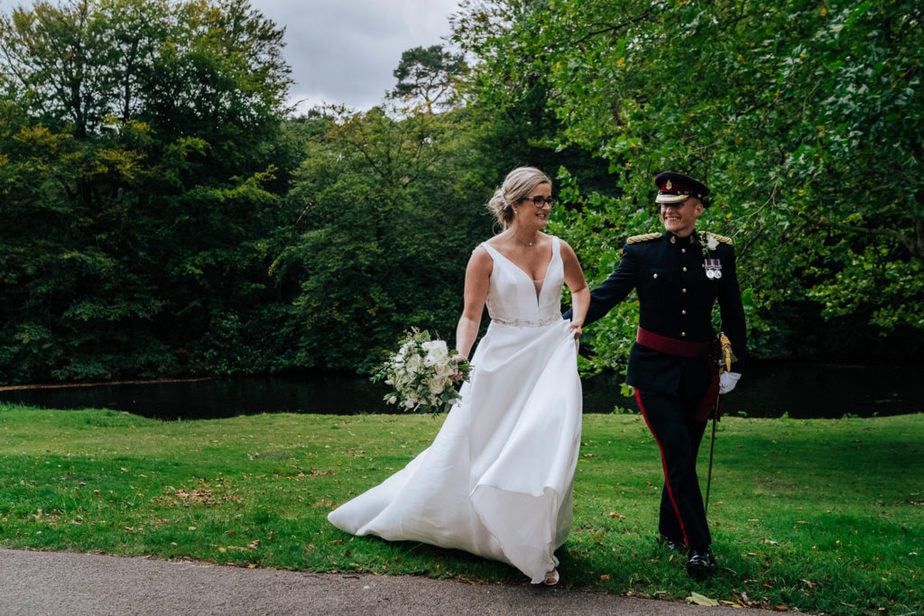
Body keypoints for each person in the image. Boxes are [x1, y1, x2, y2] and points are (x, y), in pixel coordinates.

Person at [328, 166, 590, 586]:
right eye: (538, 199)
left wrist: (576, 322)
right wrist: (460, 359)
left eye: (549, 198)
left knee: (547, 440)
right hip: (502, 360)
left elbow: (580, 289)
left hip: (551, 355)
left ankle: (534, 535)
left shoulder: (561, 248)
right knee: (485, 444)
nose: (546, 206)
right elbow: (470, 315)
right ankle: (476, 528)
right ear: (515, 203)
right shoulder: (485, 254)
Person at [567, 171, 747, 579]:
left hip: (700, 372)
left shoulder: (719, 252)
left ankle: (670, 531)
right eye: (663, 205)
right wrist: (563, 324)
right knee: (678, 452)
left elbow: (734, 313)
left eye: (677, 204)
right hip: (652, 371)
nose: (668, 211)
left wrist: (735, 365)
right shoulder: (641, 253)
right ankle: (699, 547)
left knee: (685, 454)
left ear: (697, 208)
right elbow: (604, 297)